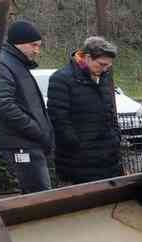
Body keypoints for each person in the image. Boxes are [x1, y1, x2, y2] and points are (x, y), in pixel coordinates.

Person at [48, 36, 122, 185]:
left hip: (108, 158)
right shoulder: (61, 79)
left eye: (108, 65)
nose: (105, 69)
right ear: (87, 58)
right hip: (79, 161)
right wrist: (75, 145)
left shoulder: (104, 77)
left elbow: (110, 111)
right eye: (102, 64)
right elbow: (59, 118)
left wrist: (115, 136)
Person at [0, 20, 54, 194]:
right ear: (18, 42)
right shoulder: (3, 63)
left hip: (28, 142)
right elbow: (2, 104)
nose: (37, 50)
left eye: (39, 46)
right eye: (33, 45)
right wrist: (36, 130)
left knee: (37, 193)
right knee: (39, 195)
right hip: (22, 143)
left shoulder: (15, 63)